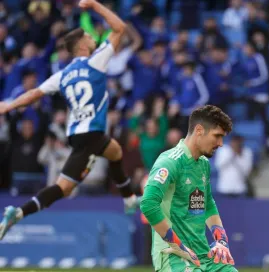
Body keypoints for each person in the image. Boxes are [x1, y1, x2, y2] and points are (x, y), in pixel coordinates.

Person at [0, 0, 140, 239]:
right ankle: (128, 198)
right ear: (82, 45)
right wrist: (95, 5)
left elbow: (34, 94)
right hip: (92, 134)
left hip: (77, 136)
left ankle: (18, 213)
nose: (92, 35)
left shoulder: (62, 75)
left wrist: (9, 104)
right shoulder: (97, 61)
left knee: (67, 185)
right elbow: (120, 28)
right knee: (102, 161)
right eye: (88, 35)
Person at [140, 105, 238, 272]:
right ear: (199, 130)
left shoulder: (204, 164)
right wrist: (177, 245)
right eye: (217, 136)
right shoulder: (170, 162)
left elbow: (207, 204)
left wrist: (221, 239)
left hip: (203, 256)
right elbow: (148, 204)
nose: (221, 143)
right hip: (174, 257)